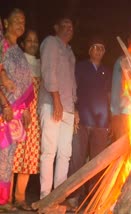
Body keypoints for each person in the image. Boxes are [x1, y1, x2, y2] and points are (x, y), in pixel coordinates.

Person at [67, 36, 112, 208]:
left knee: (97, 162)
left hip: (100, 124)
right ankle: (73, 196)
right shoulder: (80, 67)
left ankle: (94, 198)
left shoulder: (106, 72)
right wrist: (75, 110)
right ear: (89, 50)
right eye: (95, 47)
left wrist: (110, 120)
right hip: (82, 120)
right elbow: (73, 89)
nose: (98, 51)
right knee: (77, 159)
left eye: (101, 48)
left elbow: (108, 97)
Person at [38, 14, 77, 199]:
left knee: (65, 154)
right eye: (65, 24)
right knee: (49, 151)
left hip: (68, 108)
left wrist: (74, 107)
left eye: (71, 25)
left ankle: (58, 197)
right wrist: (56, 99)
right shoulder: (51, 43)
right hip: (52, 104)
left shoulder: (70, 52)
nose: (69, 28)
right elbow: (48, 71)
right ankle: (46, 197)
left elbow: (72, 82)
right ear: (56, 27)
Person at [0, 8, 33, 212]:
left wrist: (26, 108)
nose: (21, 23)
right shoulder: (2, 45)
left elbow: (26, 83)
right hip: (3, 107)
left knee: (8, 156)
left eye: (23, 20)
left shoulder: (20, 52)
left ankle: (3, 201)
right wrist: (4, 103)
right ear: (5, 23)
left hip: (16, 113)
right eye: (16, 20)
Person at [11, 29, 41, 211]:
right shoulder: (17, 61)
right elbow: (13, 89)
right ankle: (4, 198)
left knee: (27, 159)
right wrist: (22, 109)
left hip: (34, 118)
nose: (32, 43)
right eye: (29, 40)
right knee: (11, 157)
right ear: (22, 44)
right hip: (17, 115)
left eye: (35, 40)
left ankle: (20, 198)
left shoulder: (39, 64)